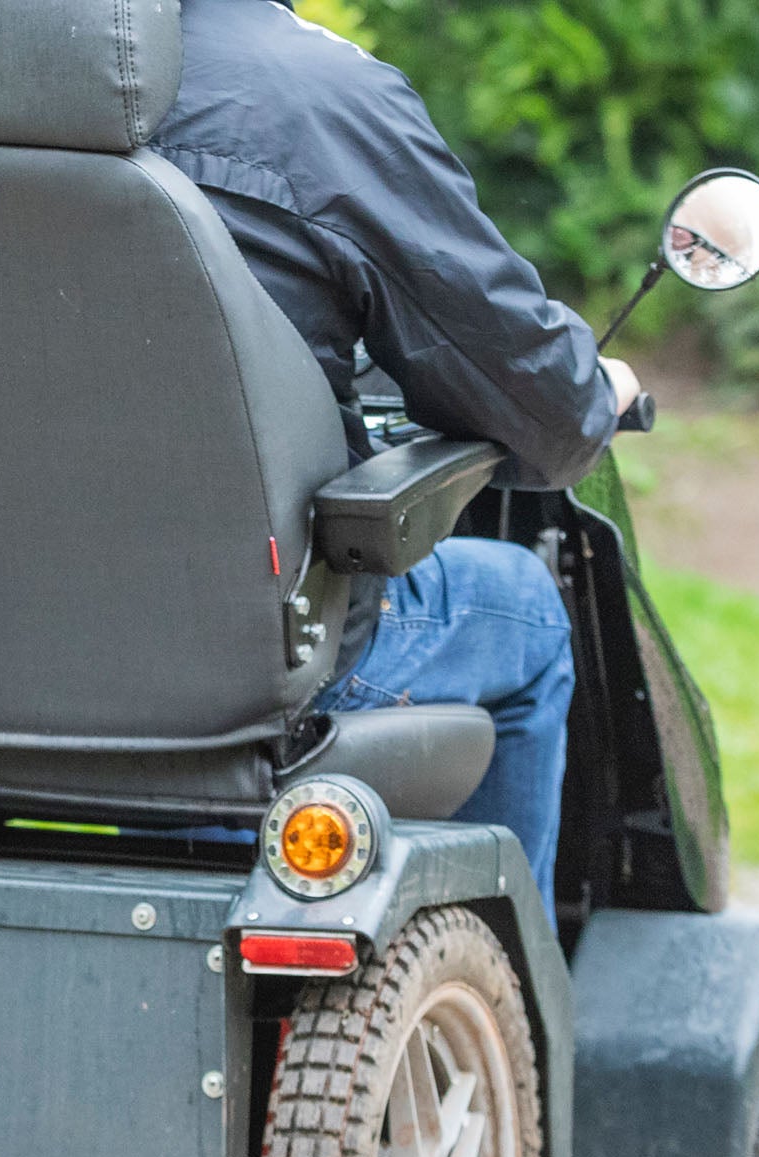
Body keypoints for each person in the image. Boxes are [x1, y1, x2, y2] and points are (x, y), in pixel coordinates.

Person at [153, 0, 637, 906]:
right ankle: (499, 1014)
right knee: (528, 608)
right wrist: (598, 392)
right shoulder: (317, 98)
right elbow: (535, 405)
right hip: (242, 672)